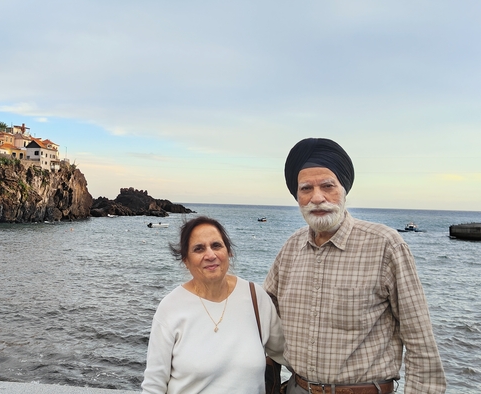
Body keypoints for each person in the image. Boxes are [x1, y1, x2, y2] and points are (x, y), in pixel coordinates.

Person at [264, 138, 446, 394]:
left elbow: (419, 341)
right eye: (306, 189)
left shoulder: (385, 245)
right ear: (297, 196)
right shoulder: (291, 248)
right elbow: (262, 312)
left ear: (344, 190)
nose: (317, 197)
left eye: (328, 186)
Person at [142, 216, 285, 394]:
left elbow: (287, 354)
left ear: (229, 252)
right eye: (199, 249)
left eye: (216, 246)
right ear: (185, 260)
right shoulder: (170, 308)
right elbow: (154, 385)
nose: (210, 255)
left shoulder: (255, 297)